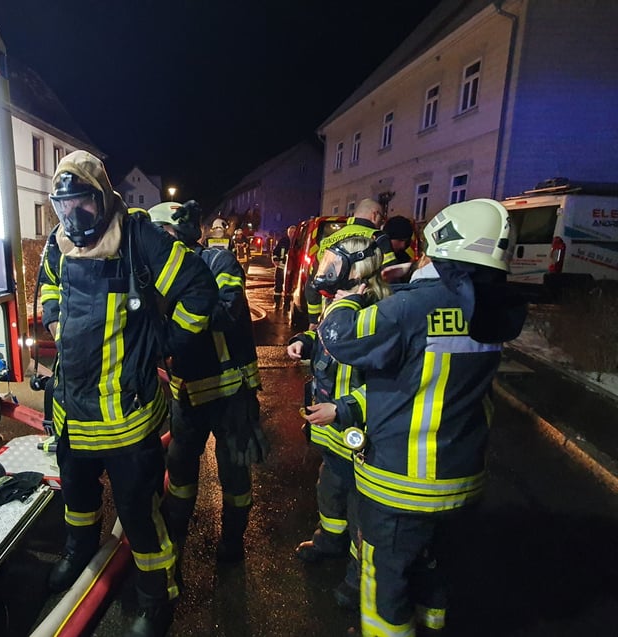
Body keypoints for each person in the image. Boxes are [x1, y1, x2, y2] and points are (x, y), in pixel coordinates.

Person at [319, 199, 527, 636]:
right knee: (436, 569)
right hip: (461, 477)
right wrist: (411, 281)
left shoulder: (411, 308)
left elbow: (340, 338)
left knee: (388, 581)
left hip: (403, 484)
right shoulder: (491, 307)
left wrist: (347, 295)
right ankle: (433, 625)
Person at [37, 151, 218, 637]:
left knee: (138, 513)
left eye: (84, 205)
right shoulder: (58, 244)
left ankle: (155, 597)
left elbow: (200, 290)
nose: (74, 217)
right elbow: (48, 289)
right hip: (72, 410)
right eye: (65, 207)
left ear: (104, 198)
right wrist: (54, 318)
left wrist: (167, 344)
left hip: (127, 417)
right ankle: (77, 555)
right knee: (75, 494)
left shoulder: (139, 237)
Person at [146, 200, 269, 564]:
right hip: (187, 392)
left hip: (231, 391)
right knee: (181, 470)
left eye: (160, 236)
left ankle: (233, 541)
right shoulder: (157, 277)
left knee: (234, 472)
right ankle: (178, 532)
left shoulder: (218, 262)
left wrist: (172, 309)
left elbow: (226, 312)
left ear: (179, 234)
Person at [287, 234, 391, 610]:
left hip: (358, 431)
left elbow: (389, 387)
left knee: (361, 509)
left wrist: (344, 409)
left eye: (333, 265)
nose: (324, 272)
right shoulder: (339, 304)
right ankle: (329, 541)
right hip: (332, 429)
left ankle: (356, 576)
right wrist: (306, 341)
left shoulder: (379, 313)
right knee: (330, 488)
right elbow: (327, 340)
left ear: (359, 276)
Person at [305, 198, 391, 327]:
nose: (381, 222)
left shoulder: (329, 240)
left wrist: (313, 320)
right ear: (375, 215)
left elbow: (313, 283)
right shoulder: (377, 237)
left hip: (329, 313)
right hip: (363, 314)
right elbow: (390, 275)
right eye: (382, 218)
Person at [381, 215, 417, 284]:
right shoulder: (374, 255)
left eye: (406, 242)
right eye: (399, 240)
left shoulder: (405, 257)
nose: (403, 246)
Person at [272, 224, 296, 296]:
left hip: (292, 269)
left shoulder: (298, 242)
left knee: (290, 286)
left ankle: (287, 303)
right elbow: (275, 252)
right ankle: (277, 302)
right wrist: (275, 260)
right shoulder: (283, 241)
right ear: (288, 233)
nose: (292, 234)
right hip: (281, 267)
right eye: (290, 232)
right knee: (278, 285)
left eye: (294, 232)